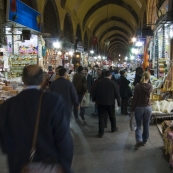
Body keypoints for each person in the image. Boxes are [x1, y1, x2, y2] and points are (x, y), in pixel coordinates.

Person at [0, 65, 73, 173]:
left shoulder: (7, 105)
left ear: (23, 79)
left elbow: (4, 140)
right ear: (42, 79)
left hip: (19, 165)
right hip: (48, 164)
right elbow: (63, 138)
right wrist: (65, 165)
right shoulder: (53, 102)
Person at [93, 70, 121, 138]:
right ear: (110, 76)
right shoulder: (113, 83)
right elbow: (117, 94)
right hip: (110, 102)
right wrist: (119, 103)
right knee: (112, 116)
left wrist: (94, 100)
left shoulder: (99, 82)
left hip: (101, 102)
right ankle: (113, 128)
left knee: (101, 118)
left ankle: (101, 133)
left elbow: (94, 91)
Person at [131, 72, 152, 149]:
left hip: (139, 107)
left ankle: (139, 139)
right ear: (148, 78)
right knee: (146, 125)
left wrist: (132, 109)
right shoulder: (150, 86)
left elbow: (135, 99)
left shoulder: (137, 86)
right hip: (148, 108)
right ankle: (145, 141)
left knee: (138, 125)